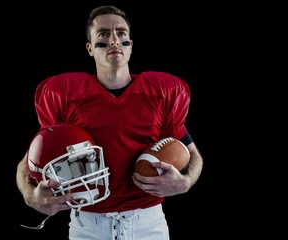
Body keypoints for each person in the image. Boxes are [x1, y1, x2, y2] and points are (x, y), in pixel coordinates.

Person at [16, 5, 203, 240]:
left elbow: (193, 154)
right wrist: (30, 194)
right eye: (103, 34)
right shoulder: (65, 94)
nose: (114, 40)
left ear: (131, 45)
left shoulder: (161, 92)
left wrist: (185, 182)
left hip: (148, 223)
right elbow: (30, 159)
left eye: (121, 33)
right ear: (90, 48)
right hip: (87, 224)